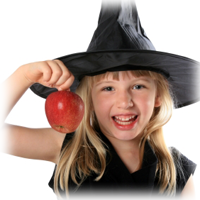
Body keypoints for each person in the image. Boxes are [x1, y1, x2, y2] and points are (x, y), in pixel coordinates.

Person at [0, 0, 197, 200]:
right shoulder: (70, 149)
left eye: (138, 86)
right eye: (108, 88)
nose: (124, 101)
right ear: (89, 100)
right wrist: (22, 76)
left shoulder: (176, 170)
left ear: (158, 97)